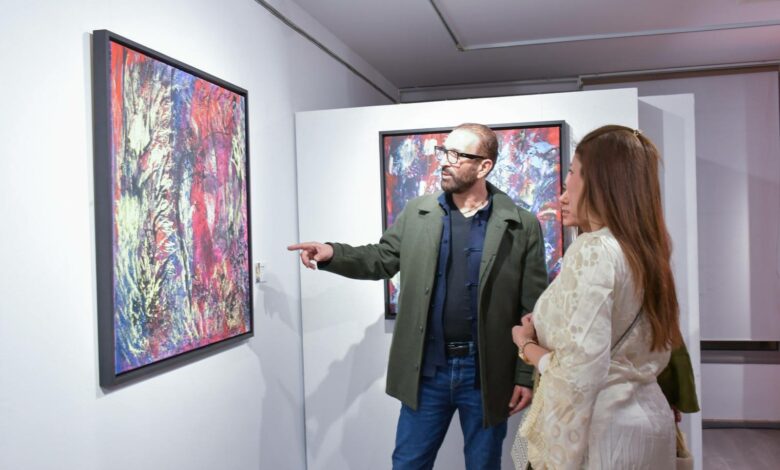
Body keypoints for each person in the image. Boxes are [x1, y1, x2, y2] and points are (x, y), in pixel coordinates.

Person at [289, 123, 549, 469]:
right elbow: (381, 258)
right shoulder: (417, 213)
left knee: (483, 464)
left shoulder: (520, 224)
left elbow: (532, 307)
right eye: (444, 151)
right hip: (427, 370)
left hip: (486, 373)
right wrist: (333, 254)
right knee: (408, 463)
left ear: (484, 166)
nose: (445, 161)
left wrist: (523, 375)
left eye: (456, 155)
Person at [511, 125, 683, 469]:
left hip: (604, 431)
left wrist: (526, 344)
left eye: (572, 172)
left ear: (601, 182)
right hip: (649, 420)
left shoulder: (594, 250)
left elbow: (579, 371)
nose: (564, 189)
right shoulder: (647, 250)